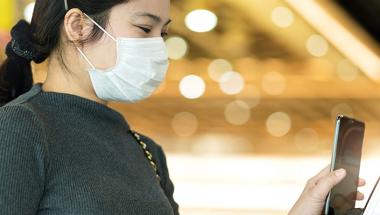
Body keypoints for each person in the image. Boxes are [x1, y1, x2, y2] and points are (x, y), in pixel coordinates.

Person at [0, 0, 365, 214]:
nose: (158, 47)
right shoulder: (20, 127)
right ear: (78, 25)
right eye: (145, 29)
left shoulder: (145, 150)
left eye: (164, 33)